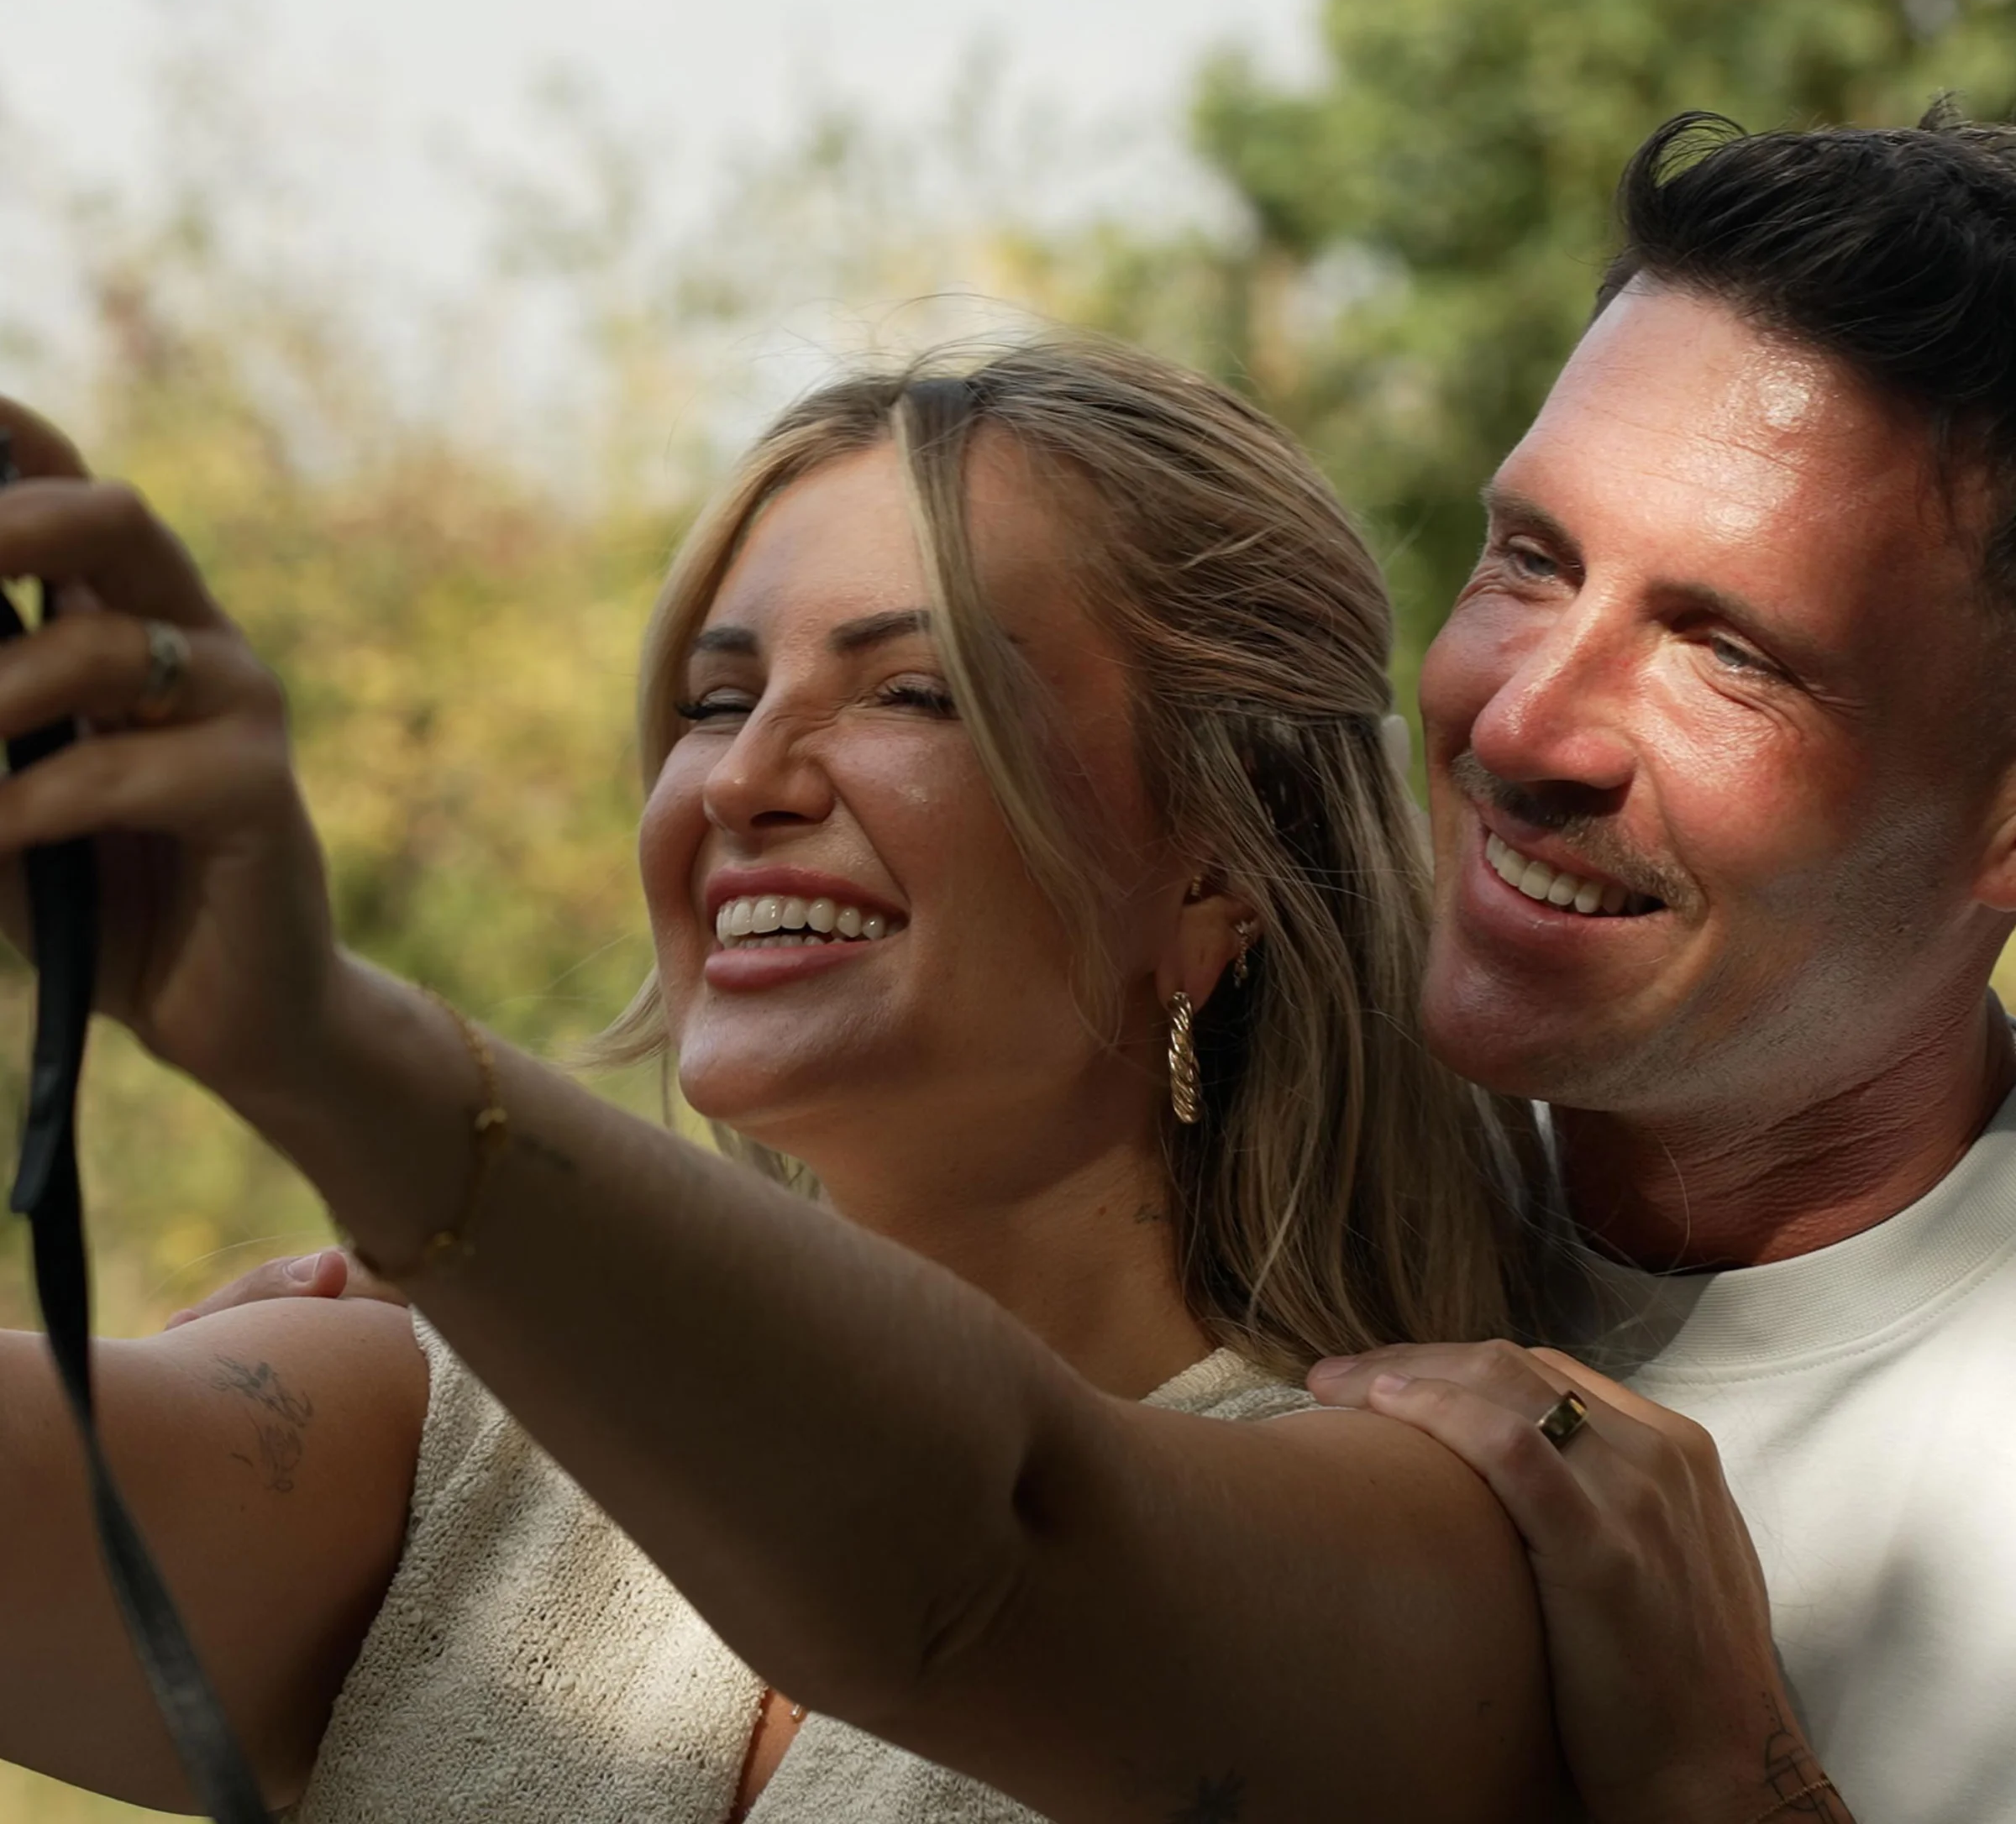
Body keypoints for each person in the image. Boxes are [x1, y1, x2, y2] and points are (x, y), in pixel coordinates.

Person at [0, 343, 1571, 1822]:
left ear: (1220, 869)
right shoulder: (446, 1432)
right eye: (714, 699)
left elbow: (981, 1554)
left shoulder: (1445, 1554)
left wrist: (317, 1037)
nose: (746, 779)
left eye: (911, 693)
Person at [1300, 108, 2016, 1824]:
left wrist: (1727, 1773)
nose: (1523, 722)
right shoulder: (1260, 1192)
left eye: (1727, 653)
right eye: (1531, 560)